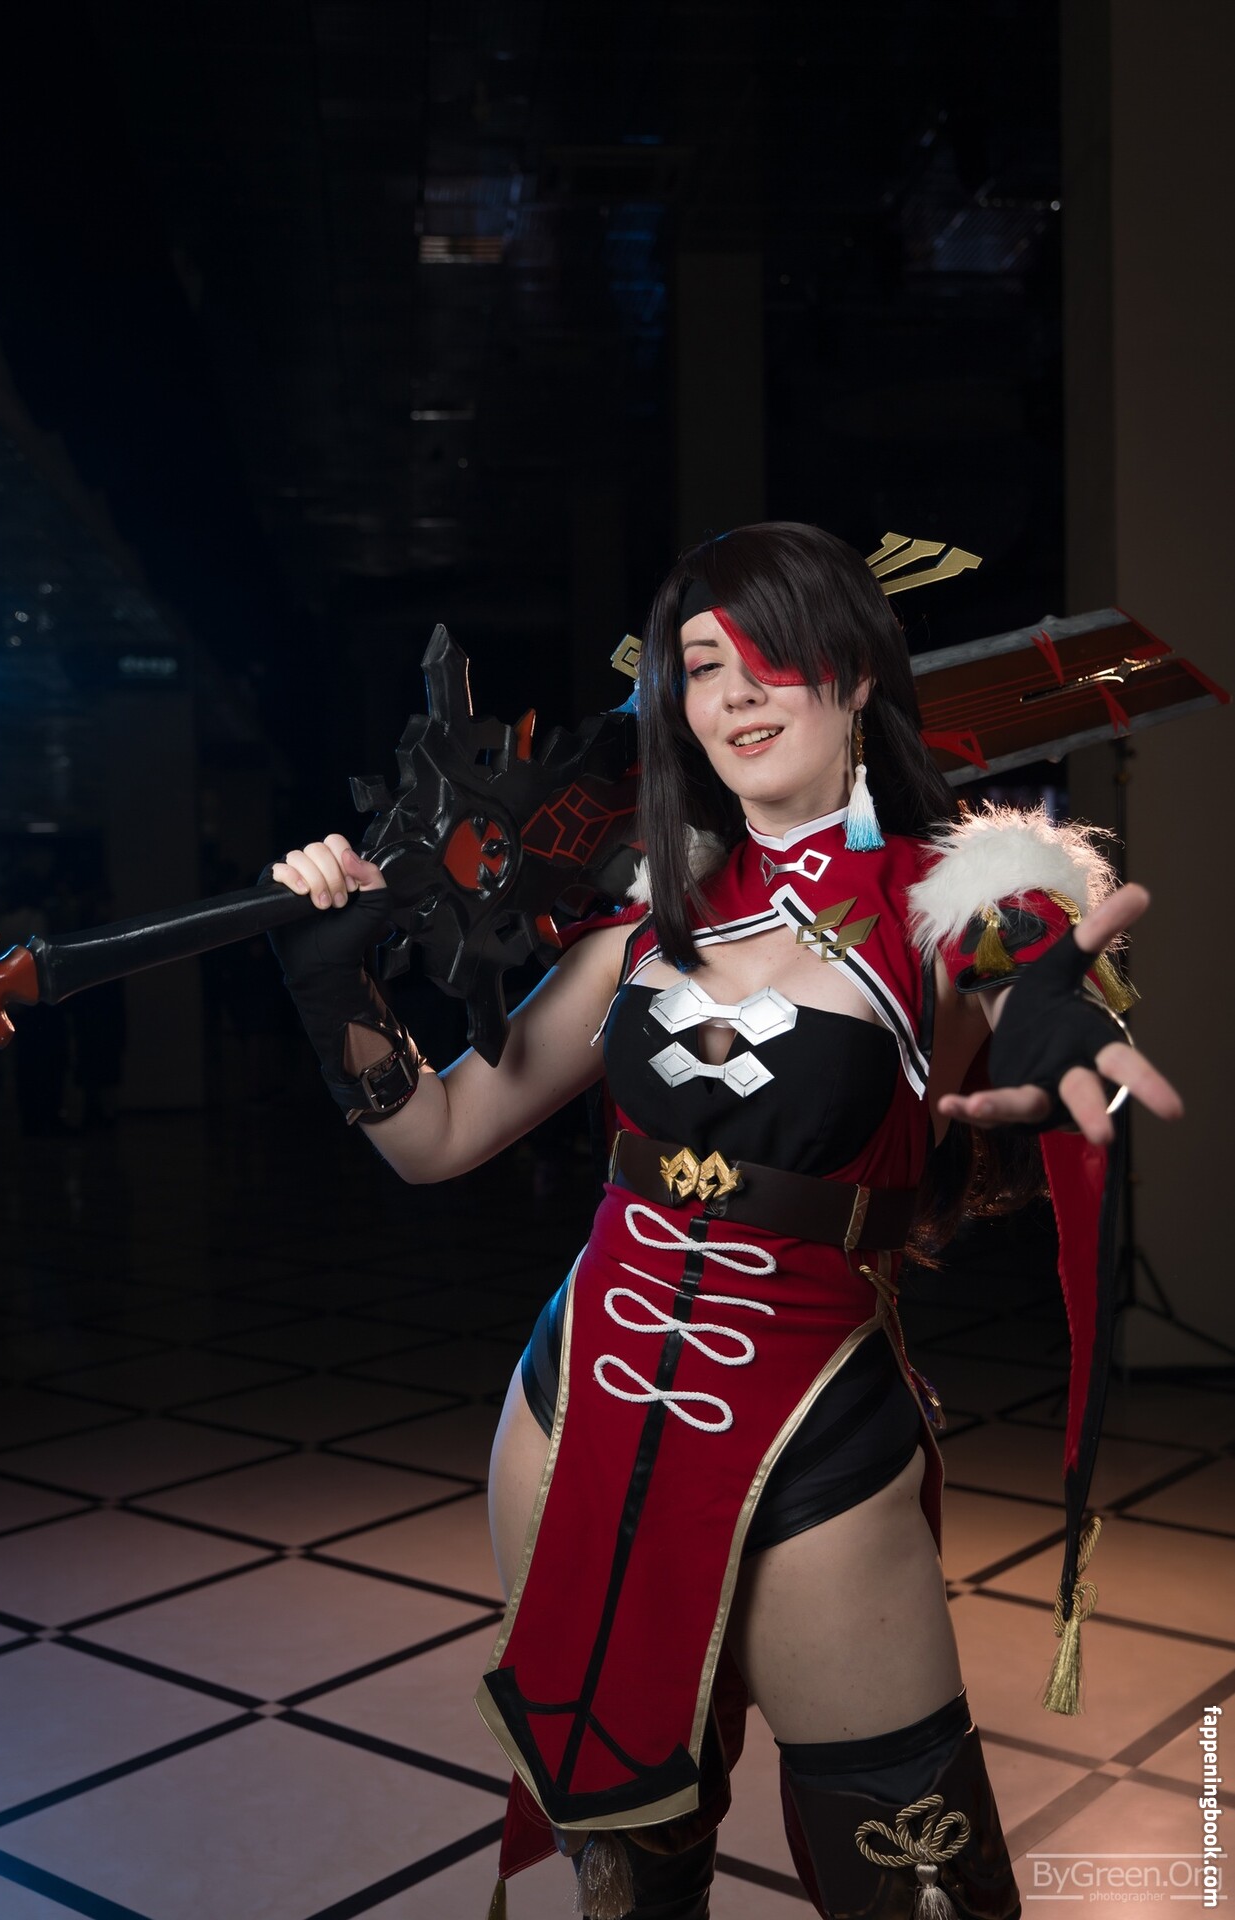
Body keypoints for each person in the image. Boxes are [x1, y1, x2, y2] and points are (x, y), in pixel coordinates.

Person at [269, 523, 1181, 1920]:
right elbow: (439, 1137)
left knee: (918, 1878)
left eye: (775, 656)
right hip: (578, 1399)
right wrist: (334, 989)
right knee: (631, 1872)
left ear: (854, 676)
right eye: (702, 666)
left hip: (812, 1420)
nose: (739, 694)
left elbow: (1040, 996)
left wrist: (1055, 1018)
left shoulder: (953, 899)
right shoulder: (645, 920)